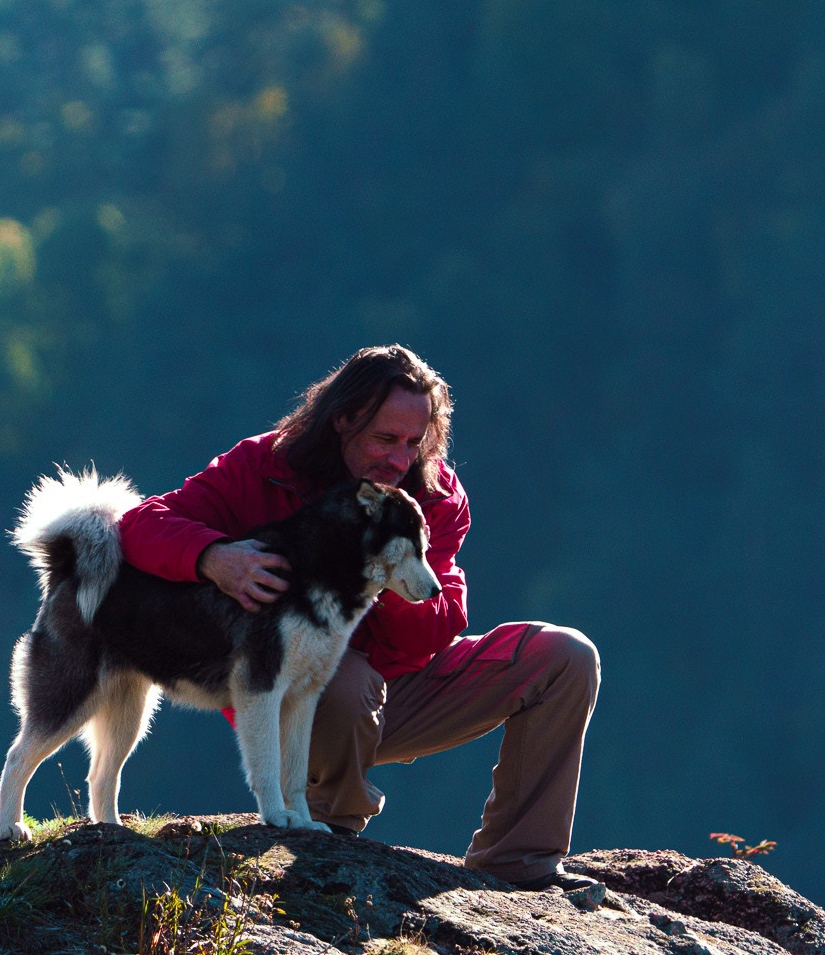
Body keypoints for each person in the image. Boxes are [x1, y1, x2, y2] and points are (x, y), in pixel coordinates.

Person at [116, 344, 600, 889]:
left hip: (404, 688)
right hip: (302, 696)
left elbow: (433, 631)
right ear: (342, 419)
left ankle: (523, 862)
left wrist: (387, 576)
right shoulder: (265, 466)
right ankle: (326, 825)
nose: (399, 458)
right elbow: (139, 525)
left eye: (414, 443)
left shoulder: (433, 496)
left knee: (566, 657)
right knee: (345, 682)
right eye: (384, 439)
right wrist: (213, 558)